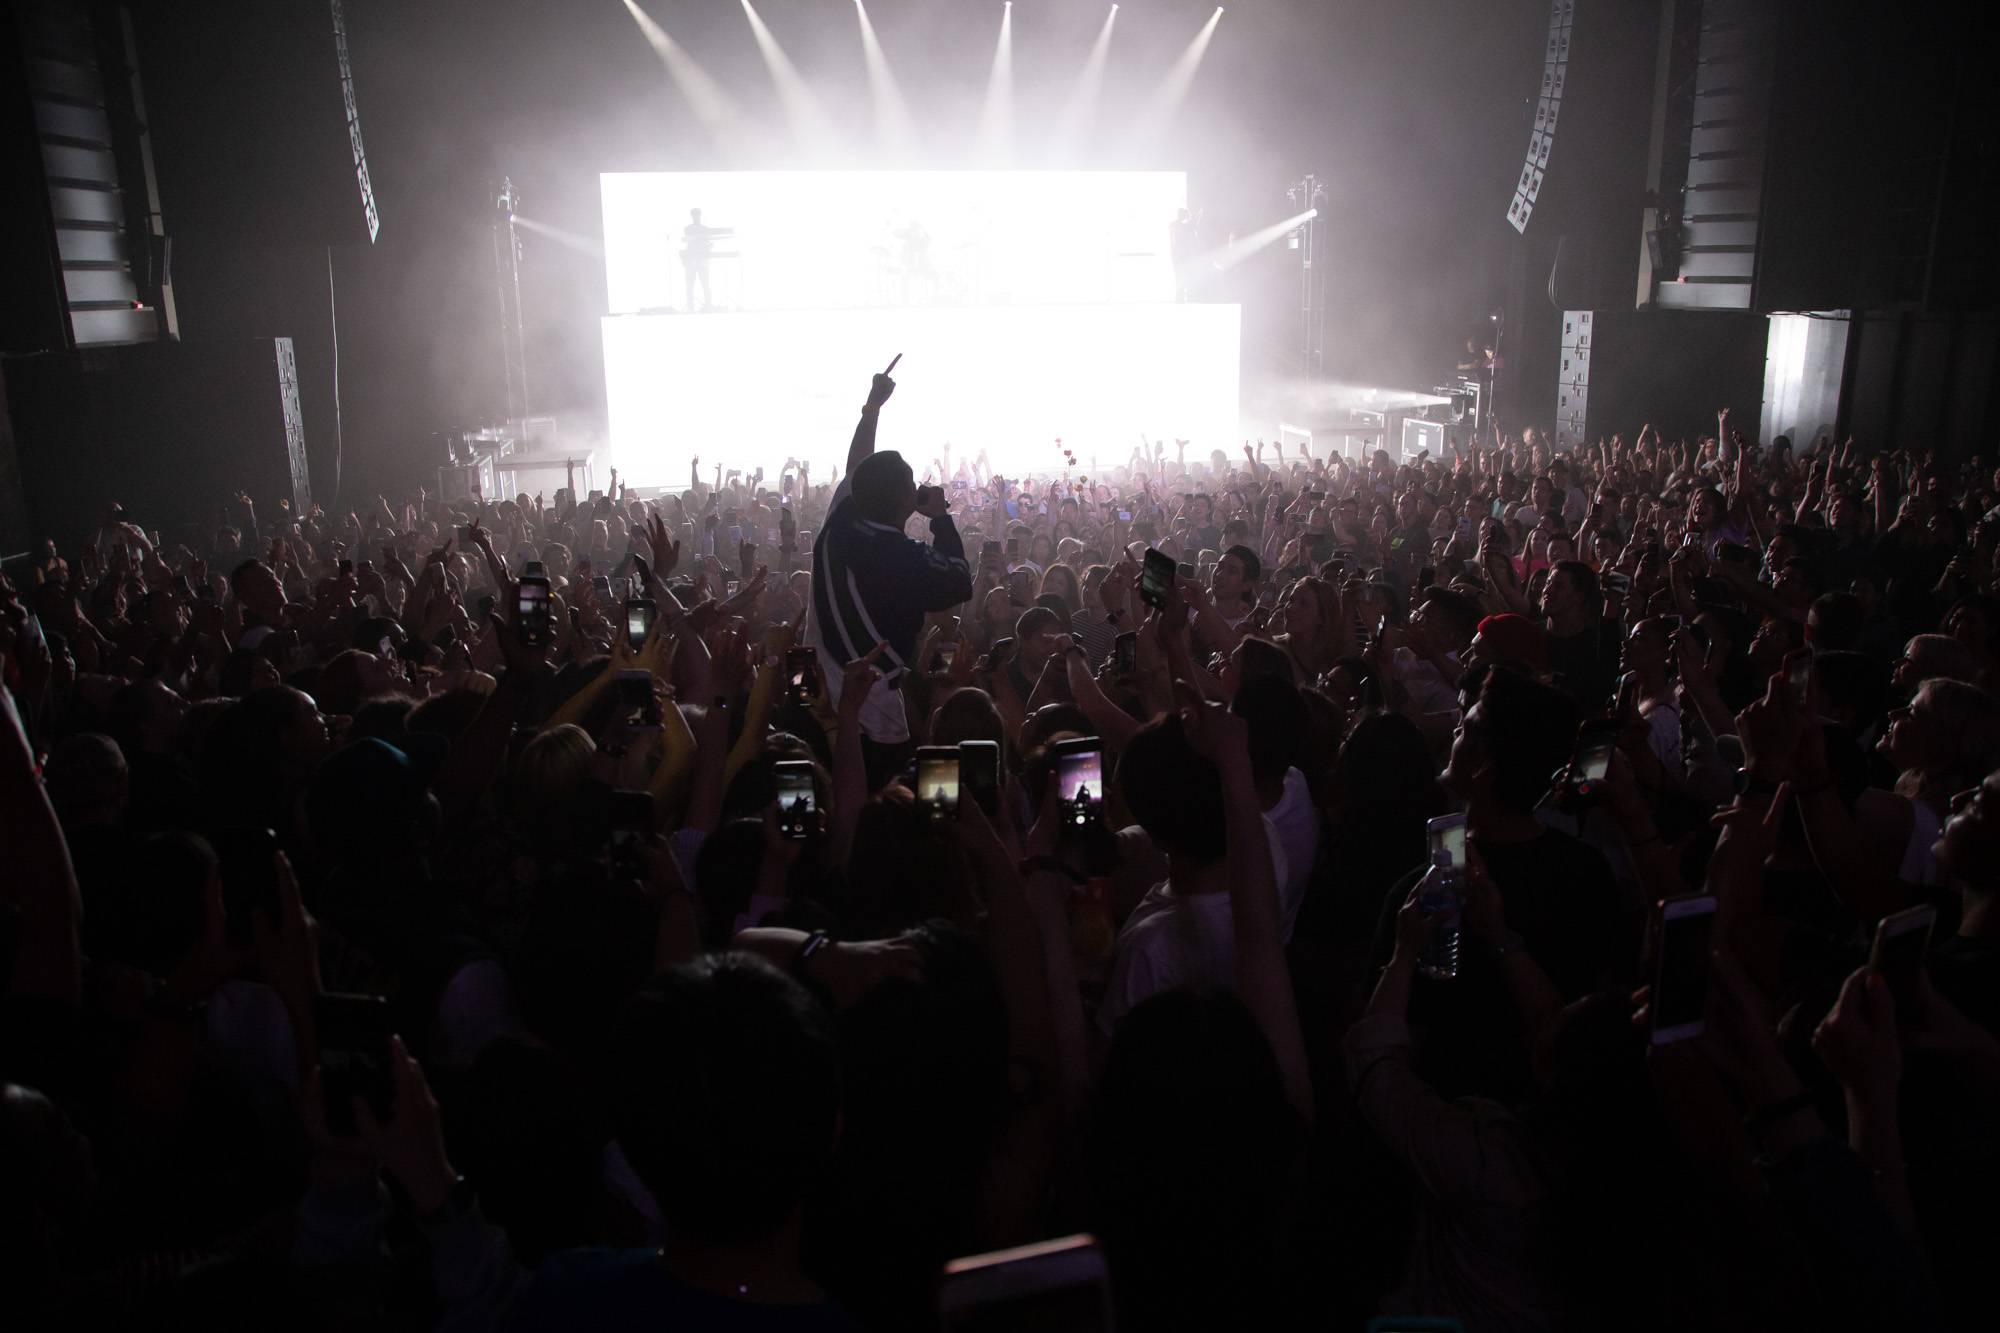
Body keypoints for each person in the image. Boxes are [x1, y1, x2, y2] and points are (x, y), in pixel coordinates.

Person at [807, 368, 973, 762]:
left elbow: (857, 468)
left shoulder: (840, 522)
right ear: (904, 498)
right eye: (911, 483)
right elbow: (959, 580)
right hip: (872, 713)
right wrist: (940, 518)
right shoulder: (901, 555)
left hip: (816, 696)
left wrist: (872, 409)